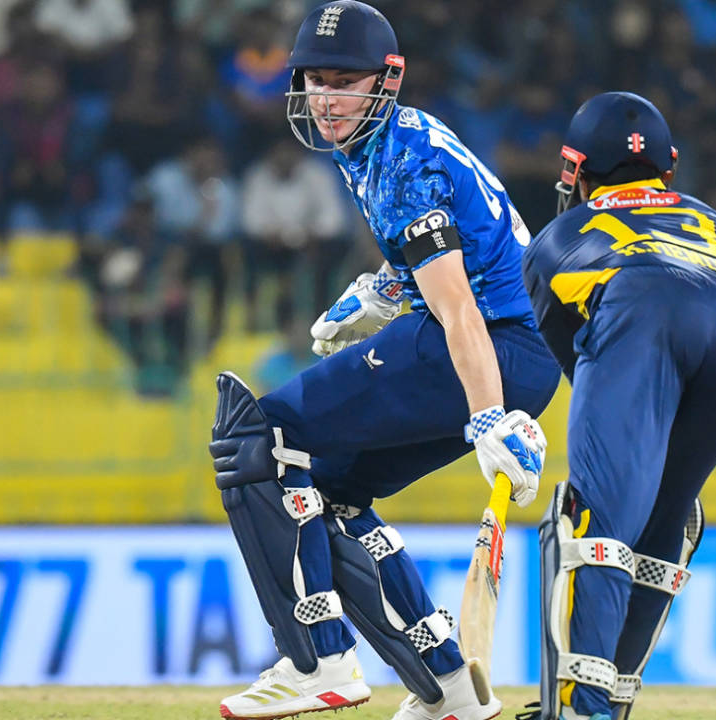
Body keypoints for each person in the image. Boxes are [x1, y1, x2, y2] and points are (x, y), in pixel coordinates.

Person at [208, 4, 561, 720]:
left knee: (260, 437)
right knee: (331, 491)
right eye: (315, 82)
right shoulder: (381, 140)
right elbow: (464, 252)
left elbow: (461, 307)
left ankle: (316, 661)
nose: (327, 100)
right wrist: (383, 290)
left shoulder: (400, 163)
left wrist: (488, 415)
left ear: (386, 79)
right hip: (512, 351)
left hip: (482, 349)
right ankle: (449, 687)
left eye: (346, 82)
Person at [518, 92, 716, 720]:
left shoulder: (558, 235)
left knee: (595, 520)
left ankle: (580, 706)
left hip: (641, 315)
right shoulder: (712, 223)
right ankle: (608, 702)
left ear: (578, 170)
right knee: (667, 517)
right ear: (667, 166)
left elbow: (573, 359)